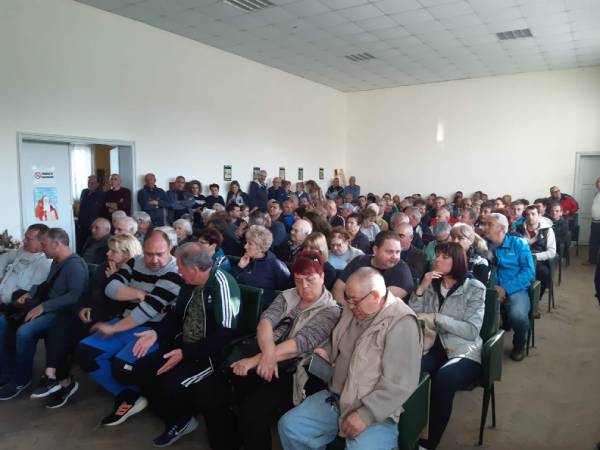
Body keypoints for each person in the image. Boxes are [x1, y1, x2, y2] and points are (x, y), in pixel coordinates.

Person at [278, 267, 421, 450]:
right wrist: (327, 351)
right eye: (348, 299)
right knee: (291, 427)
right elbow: (336, 340)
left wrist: (366, 414)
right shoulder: (352, 309)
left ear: (376, 296)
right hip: (336, 399)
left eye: (355, 301)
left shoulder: (402, 322)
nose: (350, 306)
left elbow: (400, 383)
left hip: (376, 412)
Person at [123, 243, 241, 448]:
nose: (178, 271)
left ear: (194, 269)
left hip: (210, 355)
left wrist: (185, 353)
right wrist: (157, 333)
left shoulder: (222, 284)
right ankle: (179, 419)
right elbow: (176, 316)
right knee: (142, 370)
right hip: (184, 345)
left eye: (180, 267)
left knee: (170, 384)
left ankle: (181, 417)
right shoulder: (189, 283)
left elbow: (225, 335)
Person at [228, 250, 341, 450]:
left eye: (310, 279)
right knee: (229, 385)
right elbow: (265, 323)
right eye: (298, 280)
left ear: (322, 277)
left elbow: (299, 344)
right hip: (269, 354)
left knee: (252, 410)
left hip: (296, 370)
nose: (304, 286)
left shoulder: (330, 310)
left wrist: (254, 361)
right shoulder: (288, 295)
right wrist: (268, 357)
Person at [75, 230, 184, 425]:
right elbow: (111, 288)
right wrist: (139, 294)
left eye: (160, 254)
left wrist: (113, 328)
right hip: (126, 321)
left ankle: (133, 396)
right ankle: (129, 396)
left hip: (153, 328)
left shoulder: (175, 271)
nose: (154, 260)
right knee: (85, 352)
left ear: (170, 249)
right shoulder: (135, 262)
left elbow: (147, 310)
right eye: (149, 254)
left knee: (123, 366)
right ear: (143, 249)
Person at [32, 234, 143, 408]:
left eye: (113, 251)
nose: (107, 254)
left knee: (70, 338)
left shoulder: (136, 273)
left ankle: (61, 382)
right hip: (90, 313)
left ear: (127, 254)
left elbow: (120, 307)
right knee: (58, 328)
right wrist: (81, 309)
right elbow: (87, 293)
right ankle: (54, 376)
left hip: (109, 318)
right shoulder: (104, 267)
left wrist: (114, 280)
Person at [409, 242, 485, 450]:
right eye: (437, 256)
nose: (437, 260)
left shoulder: (474, 287)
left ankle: (428, 443)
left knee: (444, 379)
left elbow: (471, 330)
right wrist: (421, 288)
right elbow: (413, 315)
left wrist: (437, 318)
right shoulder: (431, 283)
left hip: (463, 350)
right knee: (410, 371)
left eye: (444, 257)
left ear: (457, 261)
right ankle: (406, 431)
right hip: (432, 345)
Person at [0, 228, 88, 400]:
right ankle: (7, 371)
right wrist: (31, 293)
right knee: (3, 322)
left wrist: (43, 307)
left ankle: (21, 378)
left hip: (62, 313)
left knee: (24, 332)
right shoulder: (57, 261)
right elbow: (47, 284)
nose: (42, 247)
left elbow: (75, 295)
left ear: (56, 244)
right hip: (48, 307)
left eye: (44, 244)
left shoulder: (74, 266)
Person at [483, 213, 535, 362]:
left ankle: (519, 345)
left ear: (501, 228)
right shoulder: (482, 245)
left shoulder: (518, 244)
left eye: (489, 225)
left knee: (518, 316)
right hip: (487, 289)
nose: (485, 228)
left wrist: (505, 288)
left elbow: (529, 272)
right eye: (485, 224)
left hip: (514, 288)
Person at [333, 231, 414, 303]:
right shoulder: (359, 260)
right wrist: (343, 309)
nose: (394, 256)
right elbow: (338, 288)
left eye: (398, 252)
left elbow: (378, 303)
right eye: (390, 252)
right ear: (375, 250)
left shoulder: (403, 272)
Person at [231, 225, 291, 305]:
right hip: (238, 301)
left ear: (260, 247)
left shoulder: (275, 265)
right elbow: (230, 281)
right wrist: (239, 268)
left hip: (260, 307)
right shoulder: (246, 259)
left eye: (250, 244)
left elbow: (285, 290)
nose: (245, 246)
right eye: (246, 242)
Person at [0, 224, 51, 305]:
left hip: (12, 302)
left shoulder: (45, 262)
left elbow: (28, 292)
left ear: (41, 242)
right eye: (25, 237)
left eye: (28, 239)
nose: (24, 241)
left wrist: (4, 299)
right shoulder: (22, 251)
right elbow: (3, 258)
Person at [516, 205, 557, 299]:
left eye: (533, 214)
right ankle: (519, 296)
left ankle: (536, 299)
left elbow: (552, 252)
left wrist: (534, 256)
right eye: (527, 214)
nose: (530, 217)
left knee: (544, 273)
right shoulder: (519, 229)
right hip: (521, 260)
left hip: (539, 261)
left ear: (539, 215)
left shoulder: (548, 230)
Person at [77, 175, 106, 251]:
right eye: (89, 182)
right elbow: (81, 207)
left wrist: (94, 224)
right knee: (80, 244)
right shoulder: (84, 192)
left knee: (91, 245)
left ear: (98, 184)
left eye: (92, 183)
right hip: (82, 223)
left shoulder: (101, 194)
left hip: (93, 224)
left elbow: (98, 211)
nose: (90, 184)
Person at [588, 177, 600, 264]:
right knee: (593, 242)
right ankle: (592, 260)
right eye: (598, 182)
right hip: (594, 222)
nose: (599, 184)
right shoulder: (597, 194)